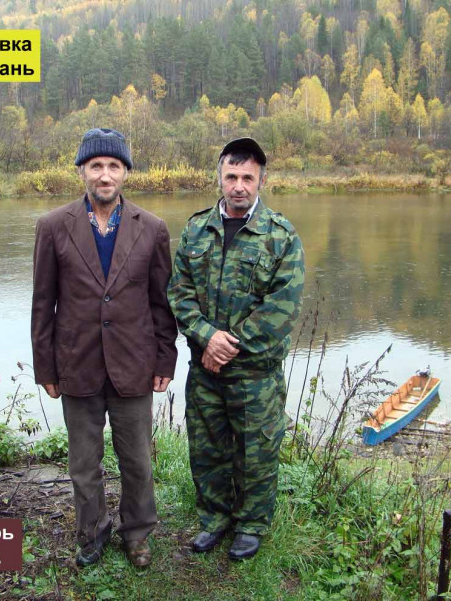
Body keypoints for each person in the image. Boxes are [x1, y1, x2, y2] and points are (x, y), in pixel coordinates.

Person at [31, 128, 178, 569]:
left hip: (134, 364)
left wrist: (165, 358)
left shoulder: (152, 229)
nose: (105, 175)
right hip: (76, 364)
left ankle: (137, 533)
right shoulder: (52, 226)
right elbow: (42, 303)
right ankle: (91, 533)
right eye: (96, 166)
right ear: (82, 171)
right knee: (83, 463)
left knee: (137, 461)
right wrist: (45, 368)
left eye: (114, 166)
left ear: (125, 172)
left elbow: (162, 302)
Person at [167, 137, 305, 560]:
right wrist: (206, 336)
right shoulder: (196, 230)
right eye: (231, 176)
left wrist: (227, 346)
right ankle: (214, 519)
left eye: (248, 177)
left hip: (254, 374)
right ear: (220, 178)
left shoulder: (280, 236)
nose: (239, 186)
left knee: (255, 452)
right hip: (205, 372)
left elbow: (282, 307)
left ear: (262, 179)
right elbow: (179, 293)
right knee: (207, 448)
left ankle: (251, 525)